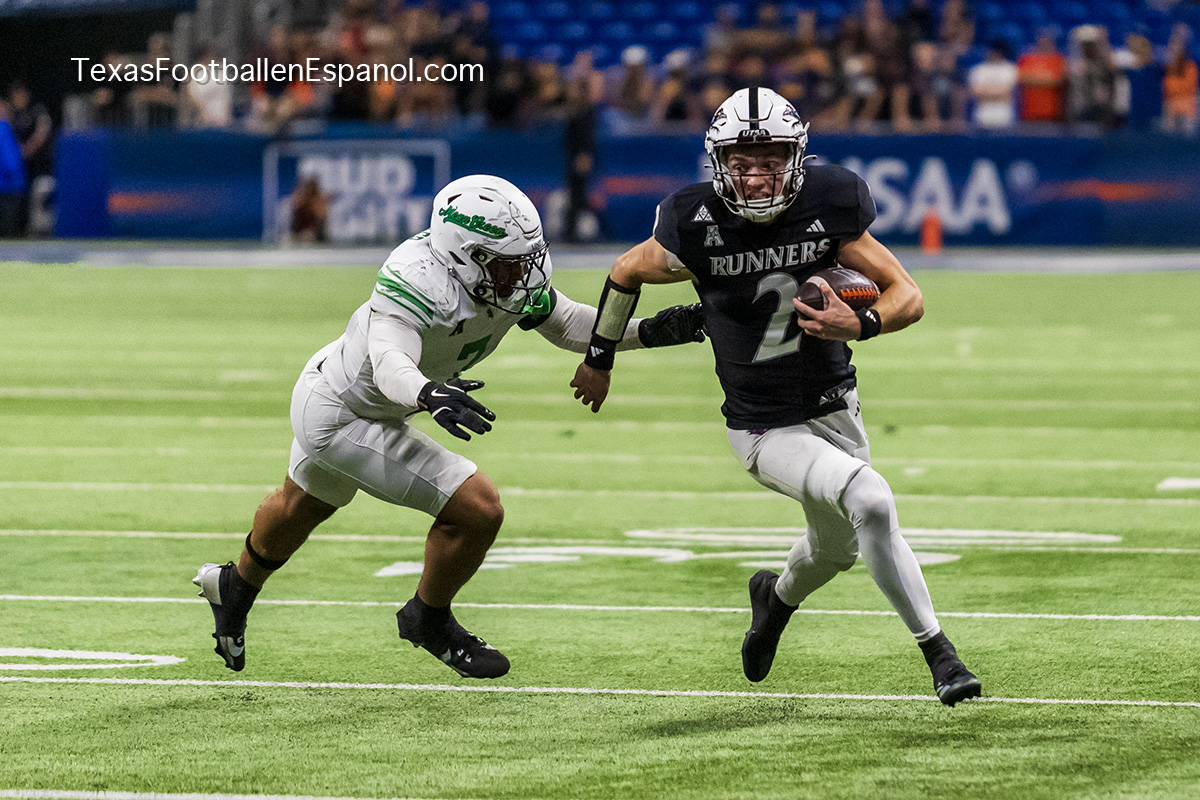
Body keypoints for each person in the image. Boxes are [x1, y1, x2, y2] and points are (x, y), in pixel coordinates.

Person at [194, 175, 705, 679]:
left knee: (300, 506)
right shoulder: (416, 279)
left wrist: (649, 332)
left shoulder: (504, 275)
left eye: (527, 258)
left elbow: (567, 322)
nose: (524, 273)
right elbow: (391, 361)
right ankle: (429, 618)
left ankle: (234, 588)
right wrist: (427, 393)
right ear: (464, 256)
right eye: (508, 263)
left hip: (359, 393)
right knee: (478, 508)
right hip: (342, 411)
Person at [568, 88, 982, 706]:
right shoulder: (695, 222)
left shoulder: (828, 203)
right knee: (870, 499)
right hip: (763, 426)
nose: (757, 177)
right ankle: (941, 656)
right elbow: (627, 270)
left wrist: (860, 324)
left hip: (835, 405)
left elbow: (908, 295)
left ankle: (775, 599)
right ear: (718, 163)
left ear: (797, 158)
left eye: (771, 161)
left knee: (835, 549)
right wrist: (599, 358)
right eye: (742, 162)